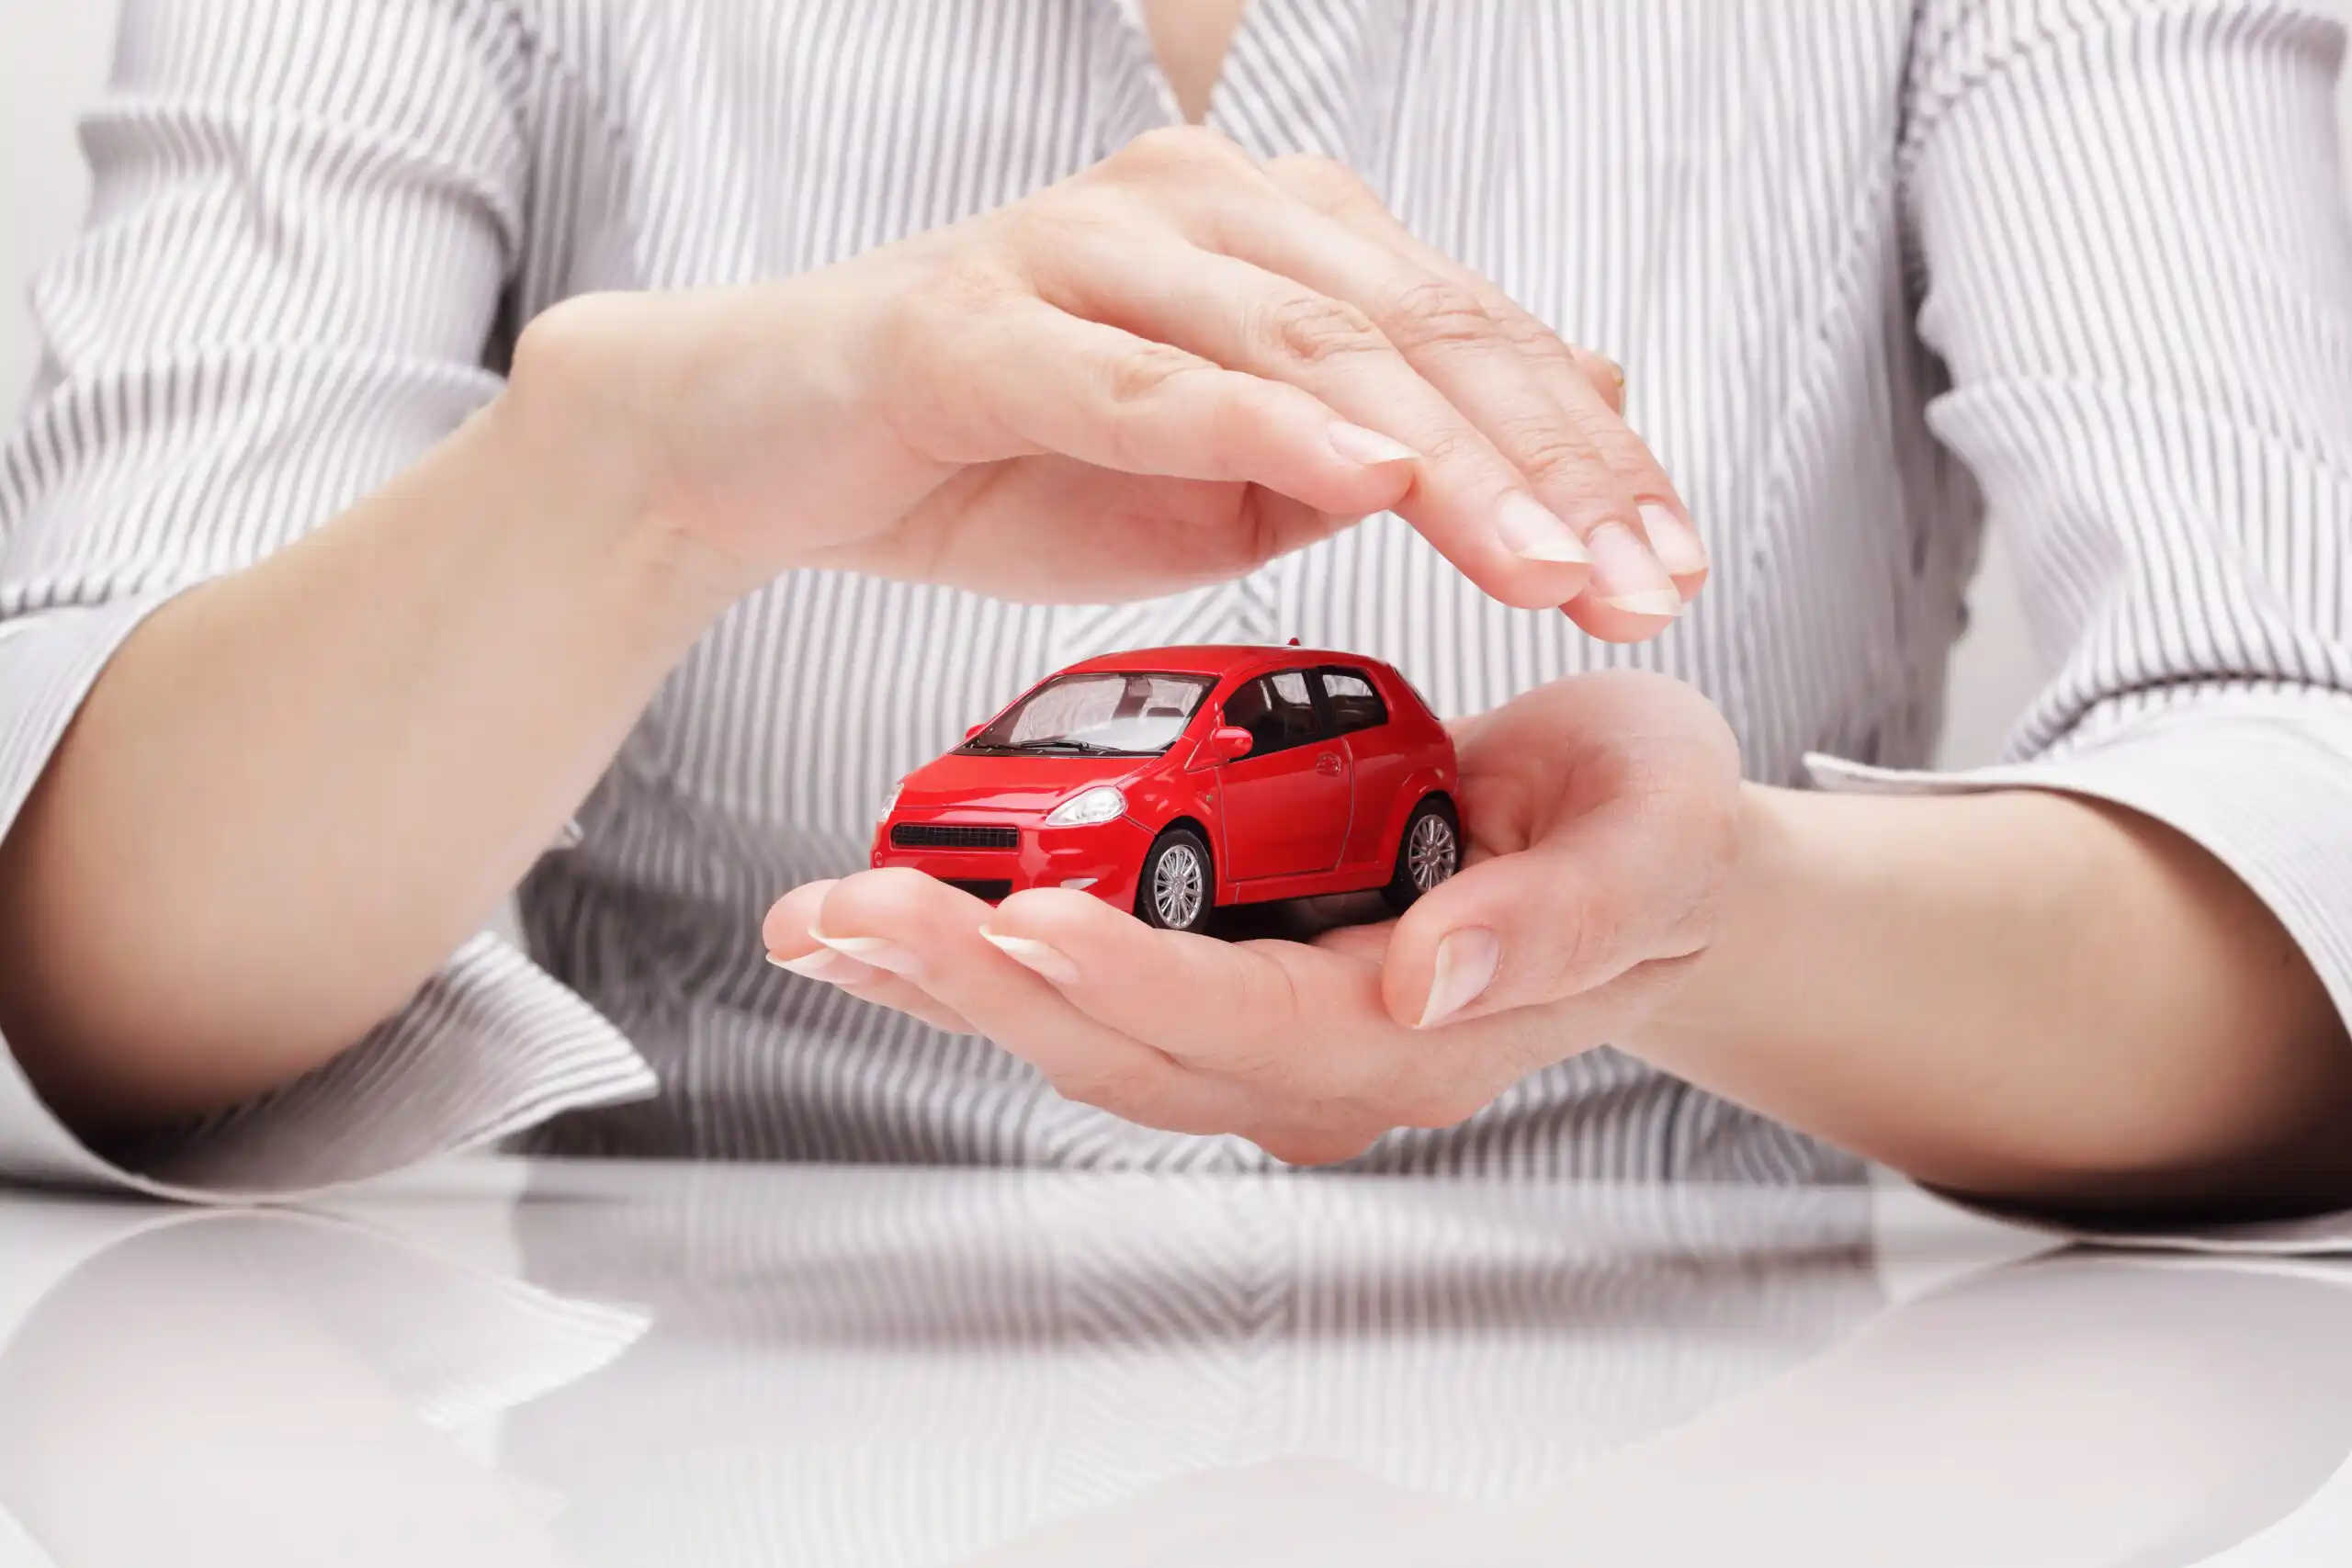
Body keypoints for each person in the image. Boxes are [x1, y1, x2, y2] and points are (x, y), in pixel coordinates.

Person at [0, 0, 2345, 1216]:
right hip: (676, 1440)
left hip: (1736, 1447)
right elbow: (71, 902)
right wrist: (611, 483)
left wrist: (1713, 920)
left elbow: (2298, 787)